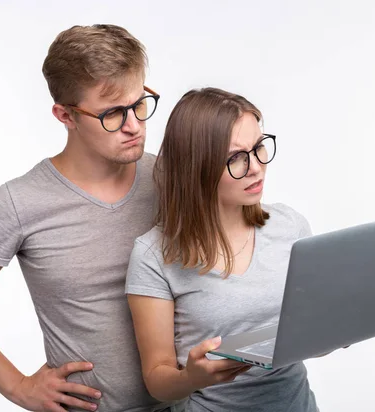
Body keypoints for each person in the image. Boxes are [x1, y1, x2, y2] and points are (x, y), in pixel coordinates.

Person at [0, 24, 179, 412]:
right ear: (66, 115)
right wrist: (18, 387)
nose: (134, 126)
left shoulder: (168, 177)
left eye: (140, 103)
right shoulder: (20, 201)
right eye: (112, 113)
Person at [125, 87, 319, 411]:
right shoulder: (153, 257)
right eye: (235, 158)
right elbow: (158, 380)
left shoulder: (290, 227)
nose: (256, 166)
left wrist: (337, 330)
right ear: (195, 167)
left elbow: (311, 330)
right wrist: (192, 378)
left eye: (258, 148)